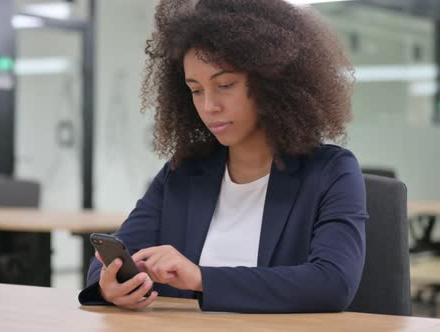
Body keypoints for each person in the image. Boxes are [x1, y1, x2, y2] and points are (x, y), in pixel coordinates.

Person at [78, 0, 367, 313]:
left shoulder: (331, 171)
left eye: (225, 85)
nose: (209, 106)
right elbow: (113, 259)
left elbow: (333, 283)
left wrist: (202, 278)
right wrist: (112, 285)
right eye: (196, 90)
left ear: (272, 81)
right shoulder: (183, 173)